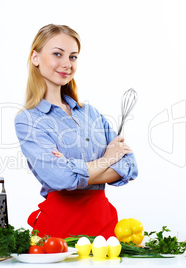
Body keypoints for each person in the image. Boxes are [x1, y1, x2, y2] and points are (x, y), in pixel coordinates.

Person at [14, 24, 138, 239]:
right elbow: (60, 179)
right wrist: (108, 159)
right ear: (35, 57)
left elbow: (129, 166)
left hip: (105, 230)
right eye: (57, 54)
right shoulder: (28, 120)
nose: (66, 64)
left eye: (73, 57)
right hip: (58, 232)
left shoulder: (91, 114)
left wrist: (74, 170)